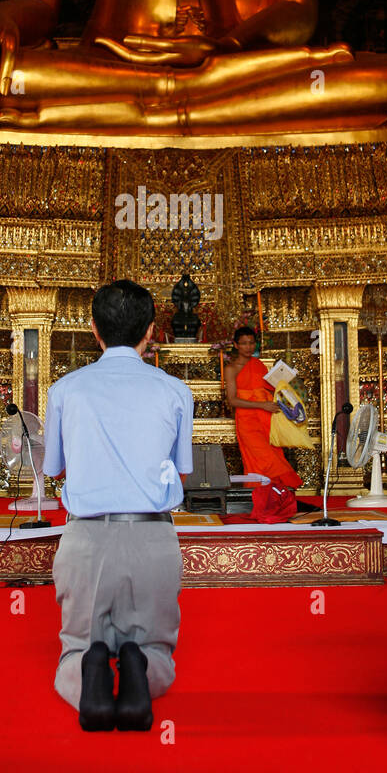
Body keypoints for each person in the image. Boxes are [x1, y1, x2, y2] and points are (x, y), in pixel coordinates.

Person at [43, 279, 193, 732]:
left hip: (86, 536)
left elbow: (54, 468)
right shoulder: (174, 391)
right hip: (152, 537)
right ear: (152, 331)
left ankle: (87, 668)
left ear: (94, 329)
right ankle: (139, 671)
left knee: (77, 644)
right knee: (156, 649)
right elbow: (180, 471)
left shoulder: (66, 389)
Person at [224, 326, 300, 523]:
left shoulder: (259, 365)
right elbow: (232, 400)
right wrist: (262, 405)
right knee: (262, 463)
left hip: (267, 419)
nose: (249, 347)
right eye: (244, 343)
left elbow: (267, 391)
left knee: (273, 457)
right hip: (247, 422)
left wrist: (282, 387)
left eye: (252, 343)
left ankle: (273, 505)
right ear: (235, 345)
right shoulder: (231, 368)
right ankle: (260, 505)